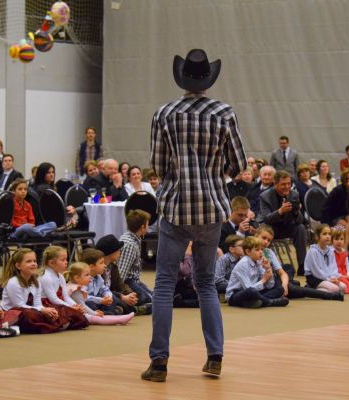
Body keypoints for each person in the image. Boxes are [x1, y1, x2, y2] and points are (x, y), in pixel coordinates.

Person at [143, 48, 247, 382]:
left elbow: (158, 166)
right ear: (208, 79)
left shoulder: (165, 113)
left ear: (183, 78)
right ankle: (214, 357)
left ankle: (159, 362)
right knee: (205, 284)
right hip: (212, 208)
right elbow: (239, 164)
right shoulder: (224, 112)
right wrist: (216, 174)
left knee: (163, 284)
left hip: (175, 207)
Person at [257, 224, 343, 301]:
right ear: (256, 235)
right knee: (298, 291)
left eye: (268, 240)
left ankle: (291, 283)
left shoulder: (269, 252)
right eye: (264, 238)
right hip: (263, 284)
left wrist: (284, 285)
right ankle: (330, 295)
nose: (266, 242)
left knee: (289, 271)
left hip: (274, 282)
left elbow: (282, 273)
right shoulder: (248, 250)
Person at [0, 248, 66, 334]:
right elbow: (19, 305)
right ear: (18, 266)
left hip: (31, 310)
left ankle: (53, 324)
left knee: (58, 309)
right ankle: (52, 325)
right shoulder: (13, 282)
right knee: (29, 314)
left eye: (34, 261)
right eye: (28, 261)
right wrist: (42, 310)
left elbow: (38, 304)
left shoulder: (36, 281)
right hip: (14, 312)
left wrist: (46, 310)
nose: (33, 264)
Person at [258, 170, 308, 275]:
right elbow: (266, 218)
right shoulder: (265, 196)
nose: (287, 187)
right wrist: (280, 211)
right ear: (275, 184)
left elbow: (301, 220)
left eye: (289, 184)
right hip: (272, 229)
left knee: (301, 228)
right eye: (283, 184)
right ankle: (264, 265)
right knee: (265, 228)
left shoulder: (294, 194)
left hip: (287, 227)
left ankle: (302, 265)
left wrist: (296, 212)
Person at [225, 236, 288, 308]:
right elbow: (247, 288)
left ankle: (255, 302)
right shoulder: (243, 264)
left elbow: (270, 285)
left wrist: (268, 269)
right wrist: (264, 279)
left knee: (280, 289)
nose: (261, 252)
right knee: (251, 291)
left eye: (261, 249)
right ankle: (269, 302)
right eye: (257, 250)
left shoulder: (258, 261)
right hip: (235, 295)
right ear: (248, 252)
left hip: (254, 291)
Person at [95, 234, 151, 315]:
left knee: (139, 296)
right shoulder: (98, 269)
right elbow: (102, 291)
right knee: (114, 298)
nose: (120, 252)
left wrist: (130, 294)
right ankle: (133, 310)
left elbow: (120, 285)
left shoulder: (113, 267)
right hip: (103, 297)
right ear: (111, 252)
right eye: (118, 250)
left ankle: (120, 310)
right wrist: (122, 297)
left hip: (112, 295)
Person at [66, 262, 135, 325]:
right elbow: (82, 306)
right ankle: (119, 319)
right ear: (76, 278)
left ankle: (120, 317)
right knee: (95, 317)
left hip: (80, 311)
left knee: (111, 300)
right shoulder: (75, 290)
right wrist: (94, 313)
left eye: (89, 274)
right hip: (73, 313)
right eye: (87, 275)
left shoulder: (79, 287)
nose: (90, 277)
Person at [38, 246, 89, 330]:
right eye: (63, 260)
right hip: (46, 304)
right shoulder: (45, 277)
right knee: (70, 315)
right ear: (51, 263)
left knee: (80, 317)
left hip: (57, 303)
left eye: (66, 259)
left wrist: (74, 305)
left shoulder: (60, 276)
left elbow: (65, 296)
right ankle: (61, 323)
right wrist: (70, 307)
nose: (66, 262)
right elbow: (53, 299)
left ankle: (63, 322)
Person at [118, 210, 154, 306]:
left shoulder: (133, 238)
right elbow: (121, 274)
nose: (148, 227)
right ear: (142, 227)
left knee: (153, 295)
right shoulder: (130, 245)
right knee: (146, 298)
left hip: (134, 279)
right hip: (127, 281)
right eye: (147, 224)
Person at [81, 248, 129, 316]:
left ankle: (106, 312)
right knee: (90, 304)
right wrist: (101, 300)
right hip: (88, 302)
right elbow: (84, 298)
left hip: (98, 301)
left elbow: (105, 289)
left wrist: (108, 297)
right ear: (91, 267)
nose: (104, 265)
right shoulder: (83, 280)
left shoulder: (99, 277)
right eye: (101, 263)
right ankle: (106, 313)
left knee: (112, 300)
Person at [304, 225, 346, 295]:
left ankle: (317, 290)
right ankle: (311, 290)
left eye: (329, 234)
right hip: (315, 278)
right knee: (335, 289)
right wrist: (328, 280)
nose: (327, 236)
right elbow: (316, 271)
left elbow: (333, 267)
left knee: (343, 287)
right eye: (324, 234)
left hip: (327, 277)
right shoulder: (313, 251)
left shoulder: (330, 251)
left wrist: (333, 278)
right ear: (317, 236)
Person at [331, 227, 349, 294]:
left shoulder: (344, 252)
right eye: (336, 239)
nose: (339, 241)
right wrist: (344, 276)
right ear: (332, 240)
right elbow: (331, 268)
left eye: (341, 239)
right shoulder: (331, 252)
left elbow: (347, 266)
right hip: (336, 274)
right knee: (344, 283)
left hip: (344, 273)